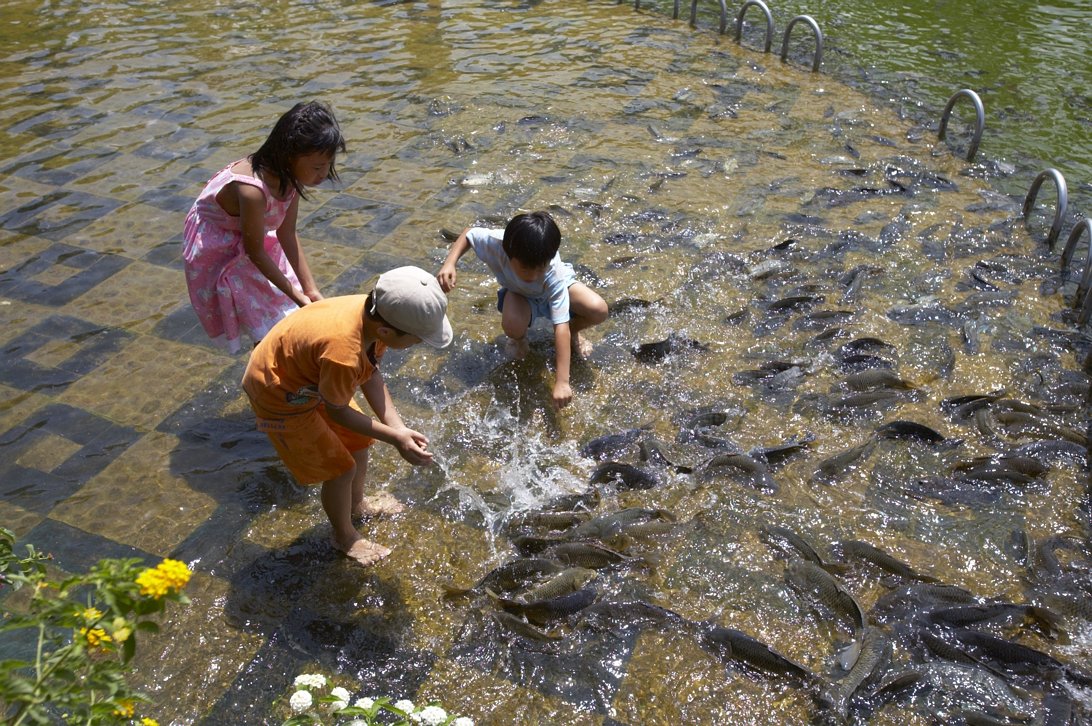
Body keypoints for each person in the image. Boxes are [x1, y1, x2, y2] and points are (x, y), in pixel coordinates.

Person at [241, 266, 453, 566]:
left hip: (311, 378)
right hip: (279, 393)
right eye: (418, 339)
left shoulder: (375, 314)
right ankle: (344, 535)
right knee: (340, 469)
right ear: (387, 332)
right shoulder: (344, 351)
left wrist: (398, 427)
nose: (417, 345)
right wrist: (395, 439)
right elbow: (337, 411)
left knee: (360, 439)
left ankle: (356, 504)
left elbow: (370, 373)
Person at [183, 101, 346, 352]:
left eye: (328, 164)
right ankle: (266, 375)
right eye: (317, 167)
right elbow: (254, 252)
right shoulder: (251, 191)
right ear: (289, 156)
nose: (323, 174)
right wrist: (297, 296)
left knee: (286, 308)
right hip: (218, 242)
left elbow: (286, 233)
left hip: (251, 236)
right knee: (265, 320)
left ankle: (281, 371)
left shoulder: (290, 177)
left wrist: (310, 290)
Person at [436, 211, 608, 409]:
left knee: (598, 309)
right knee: (512, 325)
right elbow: (469, 234)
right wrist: (449, 263)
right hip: (520, 294)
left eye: (540, 268)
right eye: (526, 268)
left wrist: (562, 382)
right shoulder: (496, 243)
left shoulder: (553, 273)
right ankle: (518, 340)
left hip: (554, 290)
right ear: (509, 254)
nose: (534, 275)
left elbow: (559, 327)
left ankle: (575, 332)